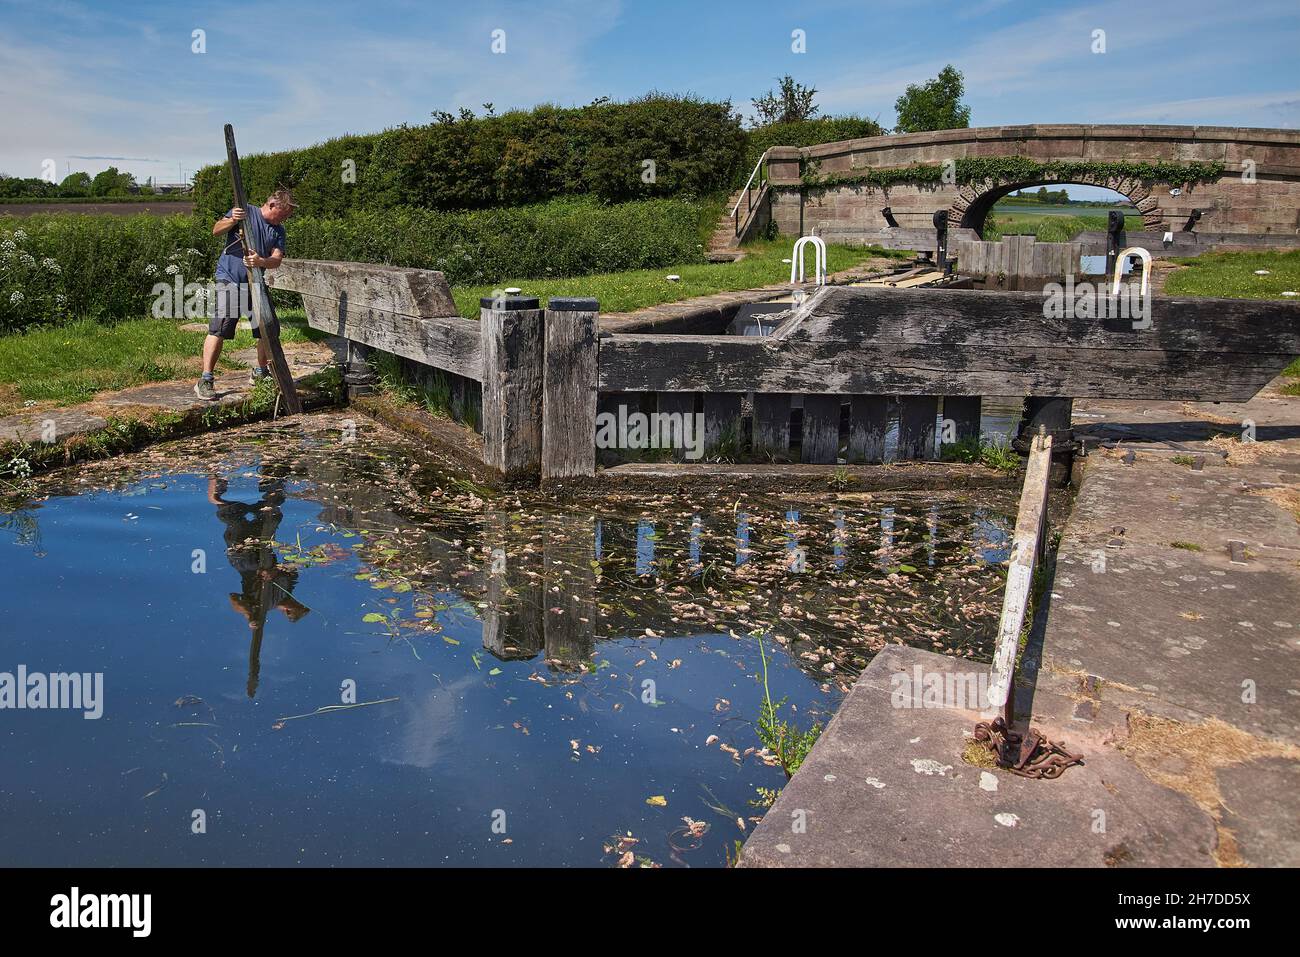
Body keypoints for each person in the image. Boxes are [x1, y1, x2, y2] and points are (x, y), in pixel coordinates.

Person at [195, 188, 296, 400]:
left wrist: (261, 262)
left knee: (268, 328)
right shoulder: (245, 212)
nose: (285, 219)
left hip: (256, 283)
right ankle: (205, 379)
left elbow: (276, 259)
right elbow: (216, 230)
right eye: (284, 214)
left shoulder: (279, 231)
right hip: (230, 278)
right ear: (271, 205)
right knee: (220, 327)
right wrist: (232, 220)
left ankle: (260, 373)